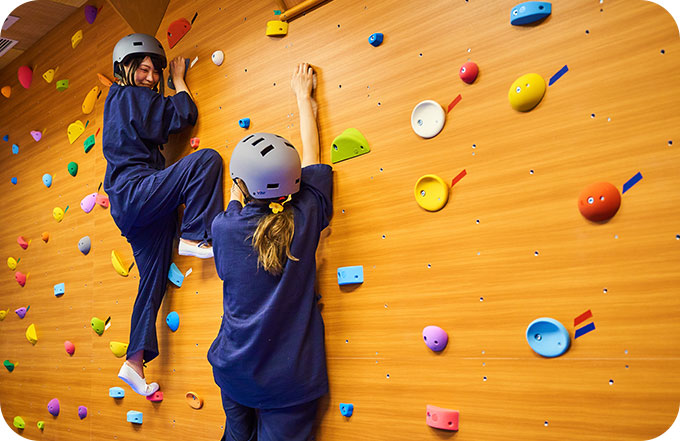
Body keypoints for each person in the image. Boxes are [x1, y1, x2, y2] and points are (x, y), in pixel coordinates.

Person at [208, 63, 331, 440]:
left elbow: (234, 199)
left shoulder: (224, 228)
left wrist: (238, 190)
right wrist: (303, 97)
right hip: (287, 382)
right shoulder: (306, 214)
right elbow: (313, 156)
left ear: (243, 188)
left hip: (234, 370)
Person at [103, 33, 224, 396]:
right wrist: (179, 81)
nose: (151, 78)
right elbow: (184, 113)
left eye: (155, 73)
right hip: (135, 192)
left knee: (152, 281)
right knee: (206, 161)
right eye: (142, 69)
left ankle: (134, 361)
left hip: (135, 209)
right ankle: (193, 236)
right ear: (124, 70)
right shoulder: (127, 96)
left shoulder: (119, 104)